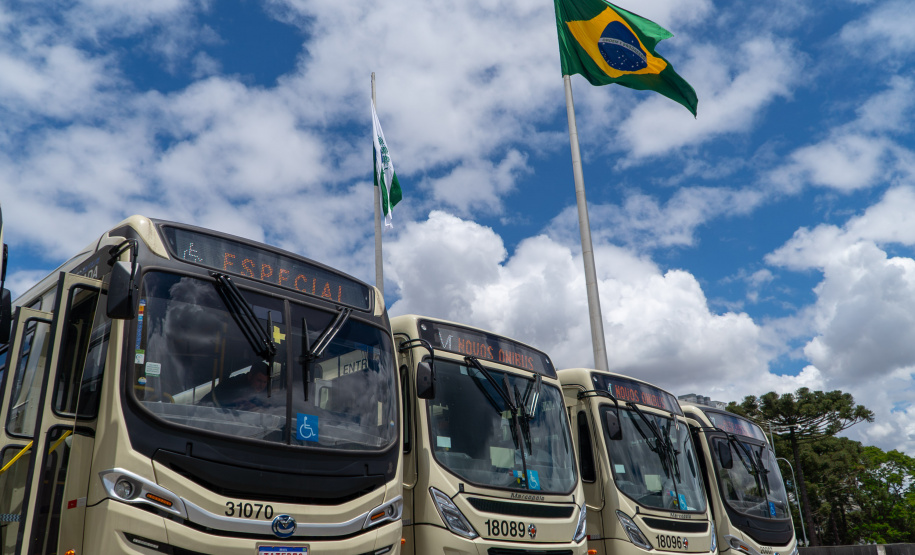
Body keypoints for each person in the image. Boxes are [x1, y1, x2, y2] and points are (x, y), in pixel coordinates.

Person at [201, 363, 269, 410]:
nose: (261, 385)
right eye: (259, 381)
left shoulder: (266, 393)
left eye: (264, 382)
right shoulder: (231, 386)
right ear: (250, 376)